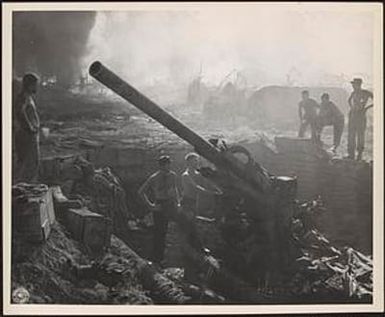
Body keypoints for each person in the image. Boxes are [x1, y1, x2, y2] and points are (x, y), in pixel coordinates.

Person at [138, 155, 180, 264]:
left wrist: (178, 202)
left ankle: (168, 257)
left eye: (169, 163)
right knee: (159, 232)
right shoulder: (154, 177)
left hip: (170, 204)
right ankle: (156, 258)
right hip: (160, 205)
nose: (169, 166)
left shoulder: (173, 175)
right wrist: (151, 205)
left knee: (172, 229)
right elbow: (141, 192)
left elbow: (175, 189)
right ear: (161, 165)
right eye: (167, 164)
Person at [14, 73, 41, 182]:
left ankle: (24, 187)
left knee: (29, 163)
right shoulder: (23, 97)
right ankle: (24, 189)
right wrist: (30, 127)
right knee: (29, 164)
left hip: (28, 134)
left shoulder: (27, 97)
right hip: (26, 135)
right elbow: (19, 112)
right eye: (35, 84)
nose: (36, 87)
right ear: (29, 85)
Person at [181, 152, 221, 220]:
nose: (197, 162)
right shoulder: (186, 175)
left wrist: (219, 190)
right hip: (187, 201)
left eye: (197, 160)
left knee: (193, 221)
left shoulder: (198, 174)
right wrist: (213, 193)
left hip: (194, 201)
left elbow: (208, 183)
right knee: (189, 223)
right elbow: (196, 187)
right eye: (195, 160)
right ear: (189, 162)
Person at [347, 78, 373, 160]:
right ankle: (351, 154)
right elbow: (349, 100)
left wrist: (366, 108)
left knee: (360, 135)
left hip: (361, 117)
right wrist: (352, 108)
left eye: (354, 84)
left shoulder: (365, 93)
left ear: (359, 85)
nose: (353, 86)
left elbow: (377, 99)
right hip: (353, 116)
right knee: (351, 135)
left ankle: (359, 155)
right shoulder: (353, 93)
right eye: (353, 84)